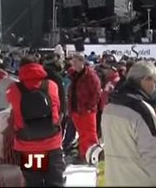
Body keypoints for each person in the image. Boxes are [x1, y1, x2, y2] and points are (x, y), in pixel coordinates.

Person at [101, 61, 156, 186]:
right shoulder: (142, 110)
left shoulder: (110, 105)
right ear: (145, 80)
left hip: (114, 178)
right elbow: (153, 153)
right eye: (154, 81)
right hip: (139, 180)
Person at [7, 55, 65, 186]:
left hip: (28, 145)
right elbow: (57, 107)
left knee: (33, 182)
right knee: (55, 182)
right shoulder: (51, 85)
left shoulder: (13, 89)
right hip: (52, 142)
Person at [67, 53, 101, 163]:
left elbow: (96, 93)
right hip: (76, 109)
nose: (73, 65)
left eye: (75, 62)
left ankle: (93, 156)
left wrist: (89, 107)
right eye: (73, 62)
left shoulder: (90, 75)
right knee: (82, 135)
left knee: (90, 134)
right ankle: (83, 155)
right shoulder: (74, 75)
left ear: (82, 62)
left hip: (86, 110)